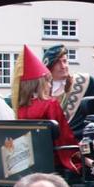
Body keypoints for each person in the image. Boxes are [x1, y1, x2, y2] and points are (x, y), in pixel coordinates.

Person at [12, 45, 82, 174]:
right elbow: (64, 137)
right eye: (48, 81)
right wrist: (79, 155)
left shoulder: (19, 108)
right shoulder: (50, 104)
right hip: (51, 162)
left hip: (26, 163)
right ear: (40, 83)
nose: (50, 85)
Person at [43, 43, 94, 134]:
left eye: (65, 61)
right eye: (58, 63)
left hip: (81, 140)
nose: (63, 66)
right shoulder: (41, 91)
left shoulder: (84, 81)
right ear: (49, 67)